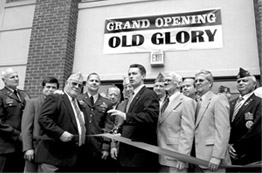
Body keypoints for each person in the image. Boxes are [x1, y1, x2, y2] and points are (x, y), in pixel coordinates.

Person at [108, 64, 160, 172]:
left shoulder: (149, 94)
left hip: (140, 155)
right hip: (126, 153)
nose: (131, 76)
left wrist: (126, 115)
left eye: (134, 73)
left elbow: (151, 116)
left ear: (143, 76)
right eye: (129, 74)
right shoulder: (131, 96)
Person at [36, 72, 88, 172]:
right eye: (74, 83)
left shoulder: (79, 104)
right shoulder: (55, 98)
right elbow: (44, 118)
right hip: (53, 159)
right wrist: (60, 133)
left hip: (71, 160)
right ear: (67, 83)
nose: (77, 87)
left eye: (80, 85)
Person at [157, 72, 196, 173]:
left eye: (169, 80)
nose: (165, 82)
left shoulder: (187, 102)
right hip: (160, 155)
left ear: (178, 84)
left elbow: (187, 131)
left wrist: (182, 157)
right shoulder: (163, 102)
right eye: (165, 80)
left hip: (175, 157)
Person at [194, 70, 231, 173]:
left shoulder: (218, 99)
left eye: (201, 80)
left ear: (210, 83)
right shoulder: (196, 102)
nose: (197, 83)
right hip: (198, 158)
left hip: (212, 159)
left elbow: (223, 130)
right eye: (196, 81)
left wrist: (217, 156)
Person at [77, 72, 114, 172]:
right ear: (86, 83)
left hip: (97, 147)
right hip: (79, 145)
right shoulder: (77, 98)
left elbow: (108, 126)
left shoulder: (107, 103)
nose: (94, 83)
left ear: (99, 84)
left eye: (96, 81)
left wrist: (106, 147)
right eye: (91, 80)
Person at [21, 77, 59, 172]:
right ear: (43, 88)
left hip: (50, 149)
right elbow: (26, 128)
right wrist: (28, 148)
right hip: (35, 146)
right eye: (48, 87)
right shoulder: (32, 103)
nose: (50, 90)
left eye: (53, 88)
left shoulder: (59, 105)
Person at [228, 68, 261, 173]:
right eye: (238, 81)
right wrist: (227, 146)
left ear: (254, 84)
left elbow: (256, 130)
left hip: (250, 155)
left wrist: (237, 148)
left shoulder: (259, 103)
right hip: (229, 155)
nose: (241, 83)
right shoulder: (230, 103)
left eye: (245, 80)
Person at [0, 68, 30, 172]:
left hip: (21, 146)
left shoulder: (24, 95)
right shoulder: (1, 95)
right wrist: (17, 134)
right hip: (6, 147)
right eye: (12, 77)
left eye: (17, 76)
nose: (16, 79)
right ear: (4, 80)